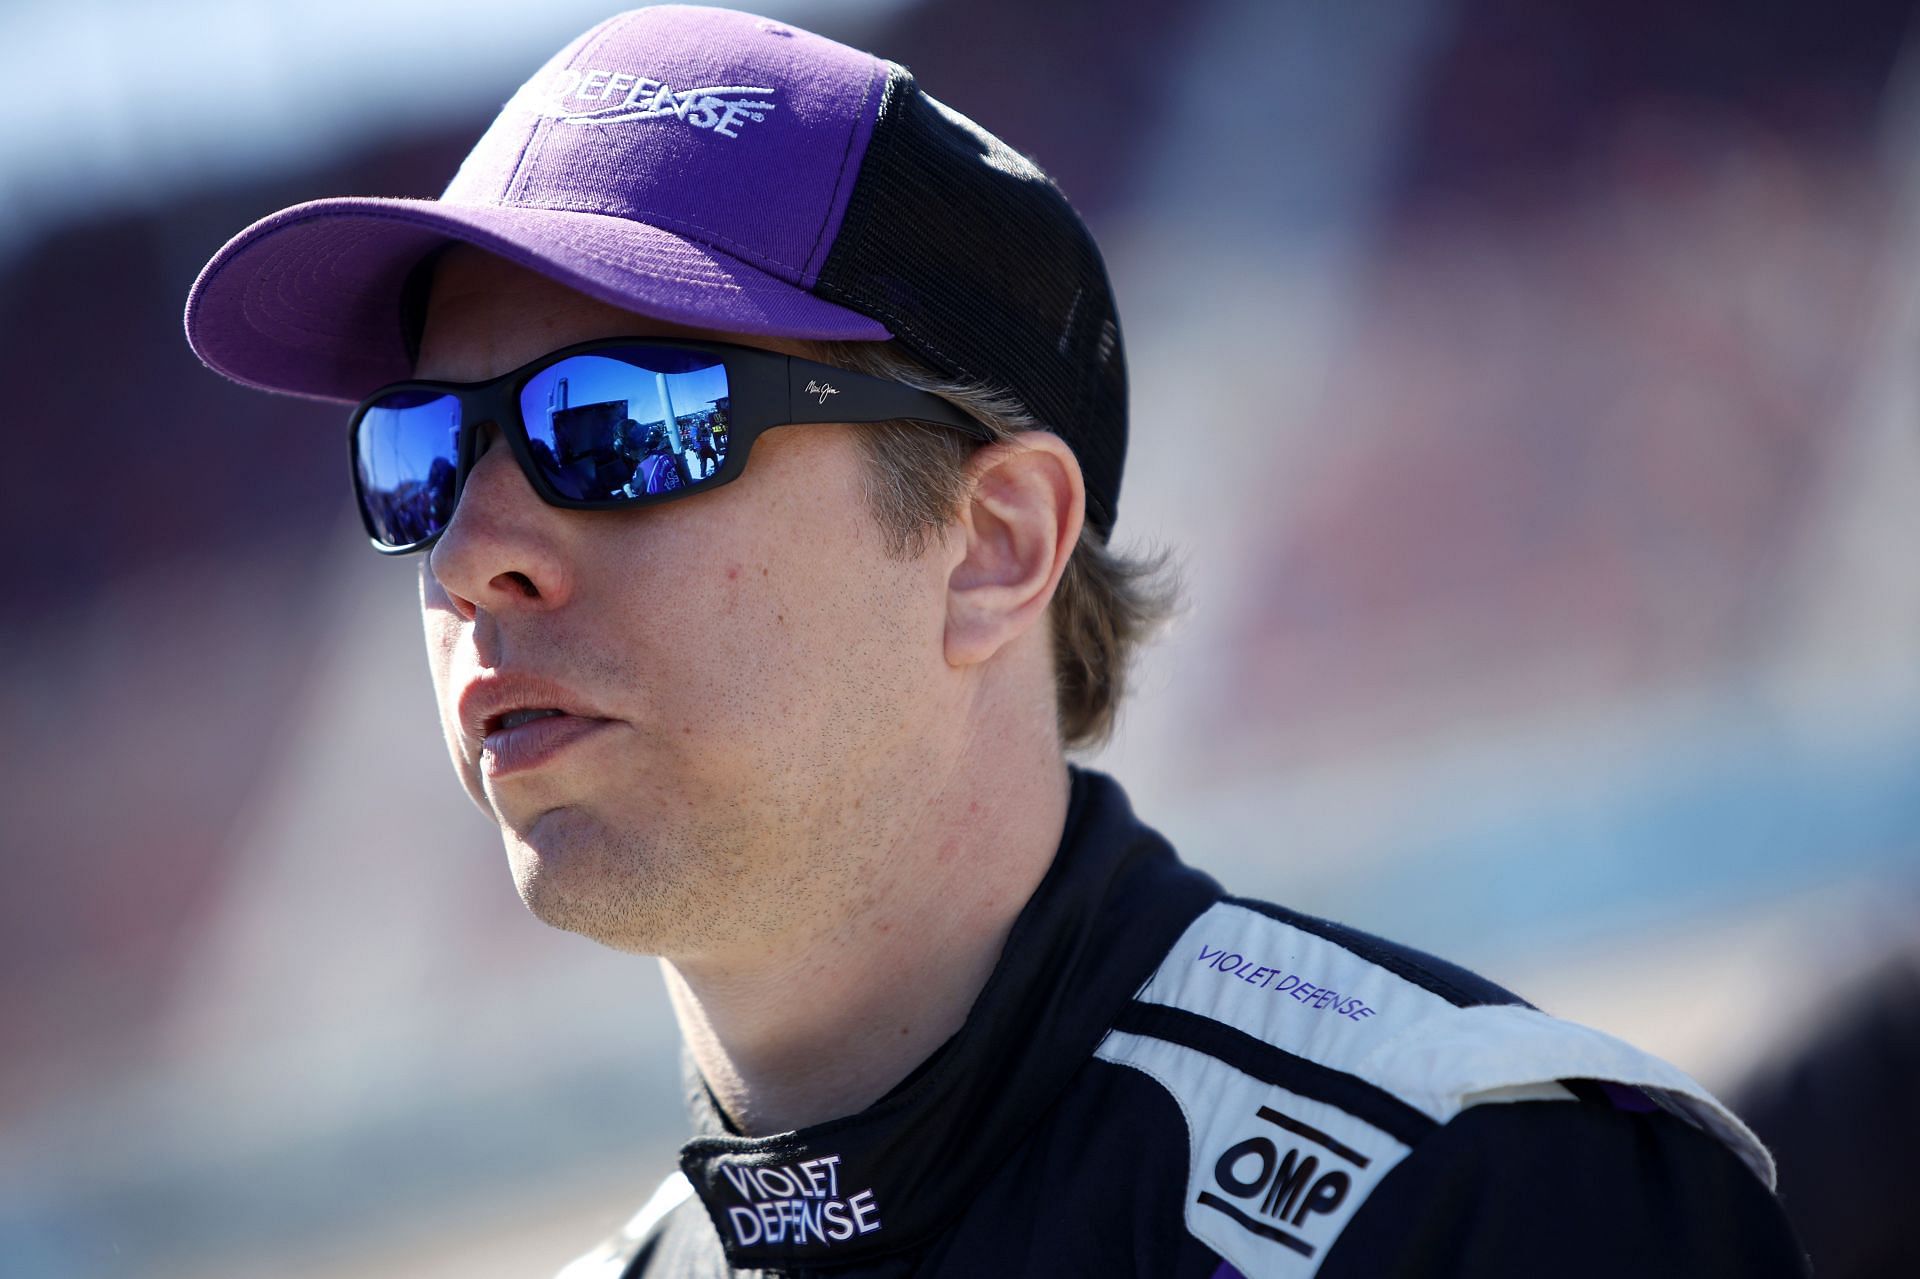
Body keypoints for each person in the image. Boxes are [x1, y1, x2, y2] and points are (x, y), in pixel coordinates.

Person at [183, 6, 1809, 1276]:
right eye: (421, 454)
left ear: (994, 545)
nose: (473, 551)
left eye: (622, 423)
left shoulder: (1482, 1205)